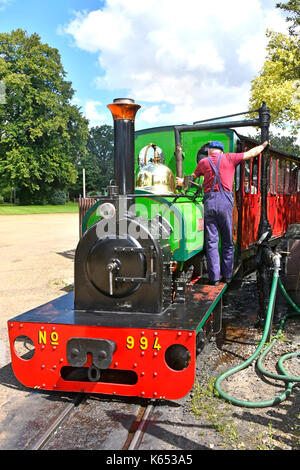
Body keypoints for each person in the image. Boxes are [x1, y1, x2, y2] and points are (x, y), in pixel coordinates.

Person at [176, 140, 269, 285]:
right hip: (225, 202)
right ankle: (227, 275)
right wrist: (263, 146)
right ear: (221, 151)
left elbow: (189, 180)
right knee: (227, 241)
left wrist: (181, 181)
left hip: (209, 202)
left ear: (209, 151)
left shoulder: (203, 163)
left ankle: (214, 278)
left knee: (212, 242)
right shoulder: (230, 157)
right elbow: (251, 153)